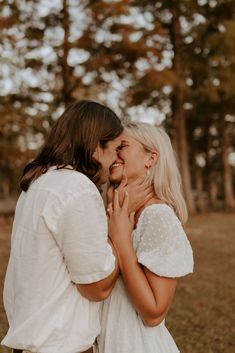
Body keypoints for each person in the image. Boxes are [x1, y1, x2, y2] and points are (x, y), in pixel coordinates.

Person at [1, 100, 125, 353]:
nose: (116, 159)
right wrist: (119, 238)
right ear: (94, 148)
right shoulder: (77, 189)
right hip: (60, 345)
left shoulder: (39, 183)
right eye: (114, 148)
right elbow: (96, 287)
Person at [98, 122, 194, 353]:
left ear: (150, 158)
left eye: (122, 146)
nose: (113, 153)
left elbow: (154, 312)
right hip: (105, 334)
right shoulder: (119, 213)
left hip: (133, 343)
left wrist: (121, 240)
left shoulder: (156, 216)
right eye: (111, 147)